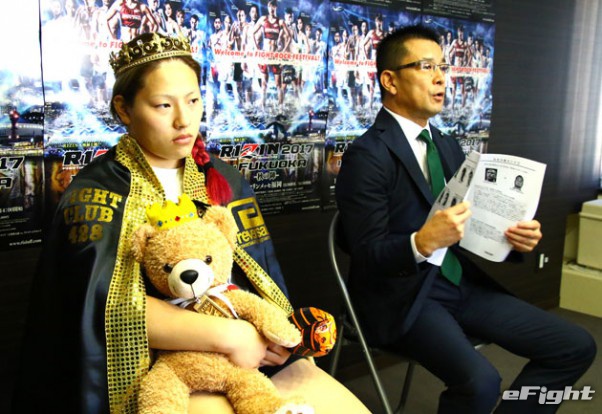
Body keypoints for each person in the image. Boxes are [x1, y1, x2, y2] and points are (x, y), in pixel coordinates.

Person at [13, 32, 369, 414]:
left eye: (193, 100)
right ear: (124, 109)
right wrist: (230, 336)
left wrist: (274, 336)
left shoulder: (224, 180)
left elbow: (260, 278)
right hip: (158, 369)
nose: (184, 120)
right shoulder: (96, 192)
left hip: (250, 356)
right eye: (163, 105)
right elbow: (106, 307)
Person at [335, 25, 596, 414]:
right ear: (390, 80)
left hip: (459, 283)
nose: (441, 78)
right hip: (402, 296)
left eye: (443, 67)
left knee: (575, 346)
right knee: (480, 382)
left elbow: (469, 225)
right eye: (426, 66)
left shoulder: (446, 144)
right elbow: (366, 254)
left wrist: (512, 238)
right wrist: (421, 242)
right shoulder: (367, 155)